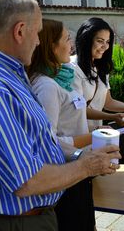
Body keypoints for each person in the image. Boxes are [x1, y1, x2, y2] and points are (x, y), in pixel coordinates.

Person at [0, 0, 119, 231]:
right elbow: (27, 180)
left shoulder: (6, 71)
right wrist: (86, 166)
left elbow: (40, 138)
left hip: (24, 217)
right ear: (19, 31)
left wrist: (81, 155)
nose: (39, 42)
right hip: (12, 222)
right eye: (37, 33)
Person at [27, 19, 96, 230]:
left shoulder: (60, 77)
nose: (71, 45)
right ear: (51, 47)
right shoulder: (47, 86)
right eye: (67, 39)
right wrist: (93, 137)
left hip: (77, 171)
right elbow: (49, 141)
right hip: (66, 175)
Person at [71, 17, 124, 131]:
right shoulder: (72, 68)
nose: (105, 46)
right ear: (86, 40)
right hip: (76, 137)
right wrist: (112, 117)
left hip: (95, 135)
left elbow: (107, 102)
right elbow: (79, 108)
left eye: (107, 42)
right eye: (100, 41)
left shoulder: (101, 68)